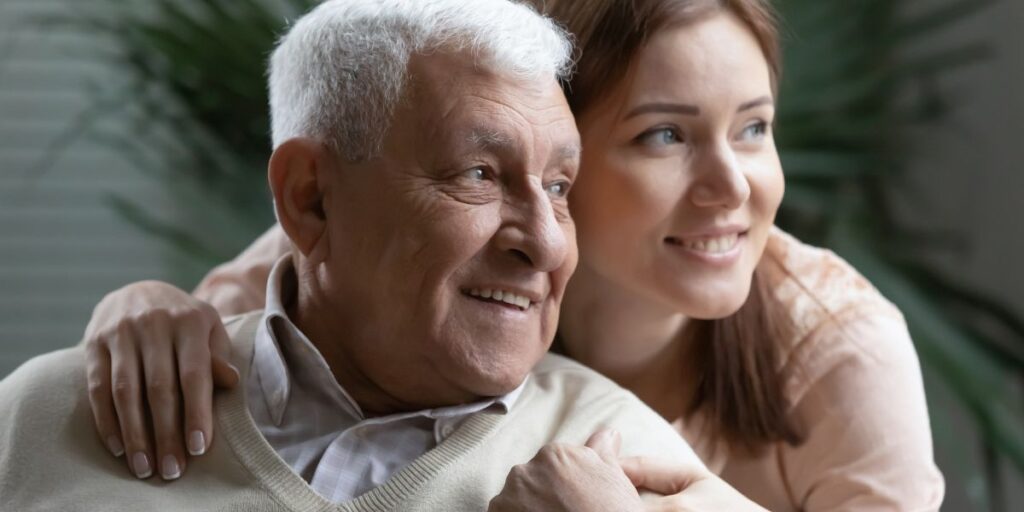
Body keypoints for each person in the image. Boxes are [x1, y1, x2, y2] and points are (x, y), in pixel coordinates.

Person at [79, 0, 945, 510]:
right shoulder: (410, 246)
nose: (733, 186)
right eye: (665, 135)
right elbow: (261, 291)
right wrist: (140, 307)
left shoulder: (839, 349)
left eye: (755, 127)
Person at [0, 1, 739, 510]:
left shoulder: (625, 470)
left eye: (559, 185)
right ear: (310, 199)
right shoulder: (45, 417)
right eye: (480, 175)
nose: (545, 243)